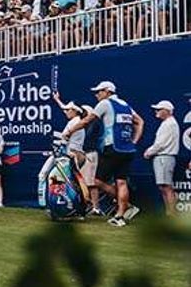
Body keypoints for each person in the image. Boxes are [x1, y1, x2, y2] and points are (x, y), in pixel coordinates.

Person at [63, 81, 143, 227]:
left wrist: (69, 131)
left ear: (107, 91)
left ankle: (126, 206)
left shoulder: (105, 103)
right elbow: (140, 122)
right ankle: (121, 215)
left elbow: (87, 120)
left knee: (97, 181)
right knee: (121, 182)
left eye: (99, 91)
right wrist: (134, 141)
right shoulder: (125, 105)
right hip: (127, 150)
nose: (96, 95)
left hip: (112, 148)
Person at [143, 100, 180, 216]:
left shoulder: (169, 124)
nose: (156, 111)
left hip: (164, 157)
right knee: (163, 187)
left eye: (159, 109)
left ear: (167, 111)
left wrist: (149, 152)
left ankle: (171, 214)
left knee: (166, 187)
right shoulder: (168, 123)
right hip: (163, 157)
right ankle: (169, 212)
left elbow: (161, 144)